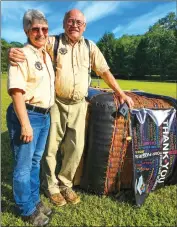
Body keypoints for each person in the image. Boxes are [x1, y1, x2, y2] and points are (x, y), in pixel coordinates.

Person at [8, 9, 134, 207]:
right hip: (56, 103)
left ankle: (65, 183)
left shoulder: (90, 46)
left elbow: (104, 71)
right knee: (50, 148)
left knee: (75, 148)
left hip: (79, 105)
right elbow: (33, 44)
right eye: (70, 21)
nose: (74, 25)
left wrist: (120, 93)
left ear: (84, 26)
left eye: (79, 22)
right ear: (64, 23)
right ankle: (50, 185)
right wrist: (12, 50)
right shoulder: (53, 42)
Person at [6, 9, 55, 226]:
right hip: (28, 115)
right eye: (36, 29)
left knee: (36, 162)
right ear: (27, 31)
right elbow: (17, 92)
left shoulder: (45, 53)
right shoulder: (21, 54)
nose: (41, 33)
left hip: (44, 116)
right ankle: (26, 209)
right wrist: (25, 124)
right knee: (23, 165)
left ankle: (34, 201)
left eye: (44, 29)